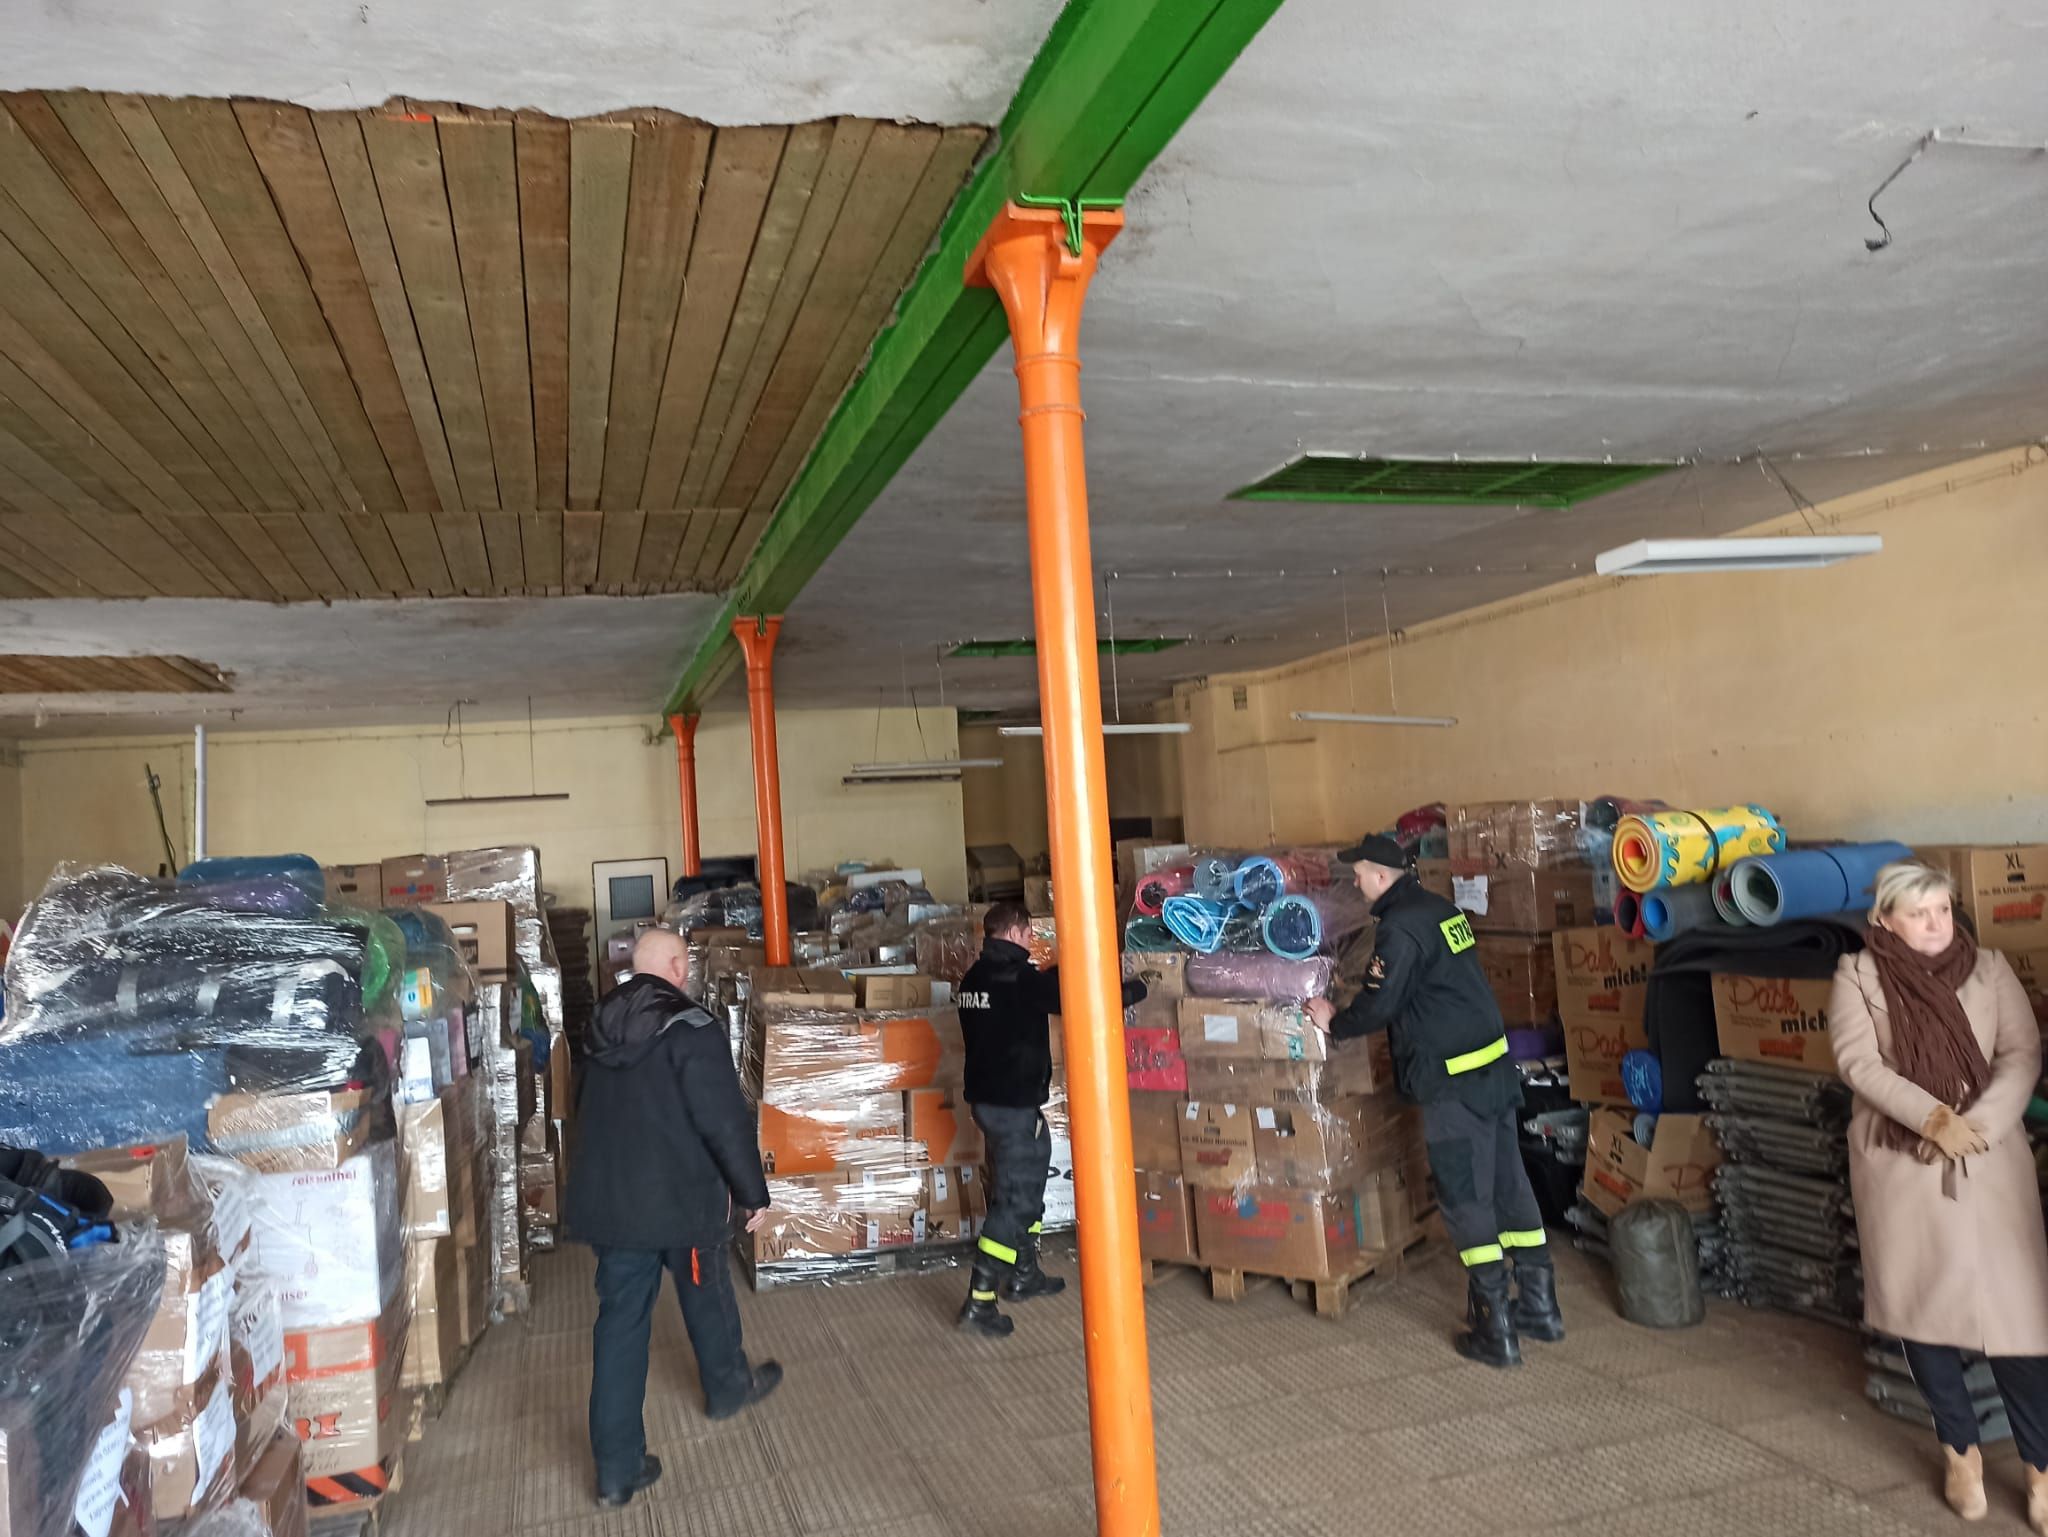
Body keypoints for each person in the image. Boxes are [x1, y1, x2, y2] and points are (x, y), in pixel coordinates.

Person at [1828, 861, 2048, 1530]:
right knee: (1922, 1314)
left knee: (2020, 1327)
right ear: (1885, 919)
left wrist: (1977, 1128)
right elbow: (1859, 1062)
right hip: (1907, 1162)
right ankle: (1960, 1453)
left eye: (1943, 910)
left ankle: (2041, 1467)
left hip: (1989, 1158)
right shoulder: (1857, 975)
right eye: (1919, 913)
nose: (1935, 923)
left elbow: (2021, 1054)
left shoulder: (1991, 969)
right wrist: (1931, 1119)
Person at [1304, 834, 1561, 1368]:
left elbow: (1380, 1003)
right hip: (1493, 1067)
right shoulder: (1439, 909)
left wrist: (1334, 1021)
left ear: (1381, 876)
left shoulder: (1399, 929)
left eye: (1360, 872)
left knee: (1465, 1196)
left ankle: (1495, 1327)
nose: (1355, 880)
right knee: (1509, 1182)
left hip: (1454, 1079)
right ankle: (1540, 1306)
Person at [566, 928, 783, 1508]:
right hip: (682, 1202)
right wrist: (752, 1192)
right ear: (676, 967)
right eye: (684, 962)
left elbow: (582, 1108)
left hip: (615, 1205)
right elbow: (723, 1121)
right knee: (706, 1293)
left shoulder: (598, 1024)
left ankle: (616, 1470)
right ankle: (728, 1387)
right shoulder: (691, 1027)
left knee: (620, 1325)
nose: (687, 972)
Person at [955, 900, 1147, 1336]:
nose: (1031, 941)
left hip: (992, 1104)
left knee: (1031, 1175)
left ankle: (1025, 1272)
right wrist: (1136, 990)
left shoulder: (975, 978)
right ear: (1015, 933)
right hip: (1012, 1107)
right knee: (1014, 1201)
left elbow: (1040, 990)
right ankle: (980, 1299)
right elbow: (1082, 1002)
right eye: (1028, 934)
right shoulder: (1018, 980)